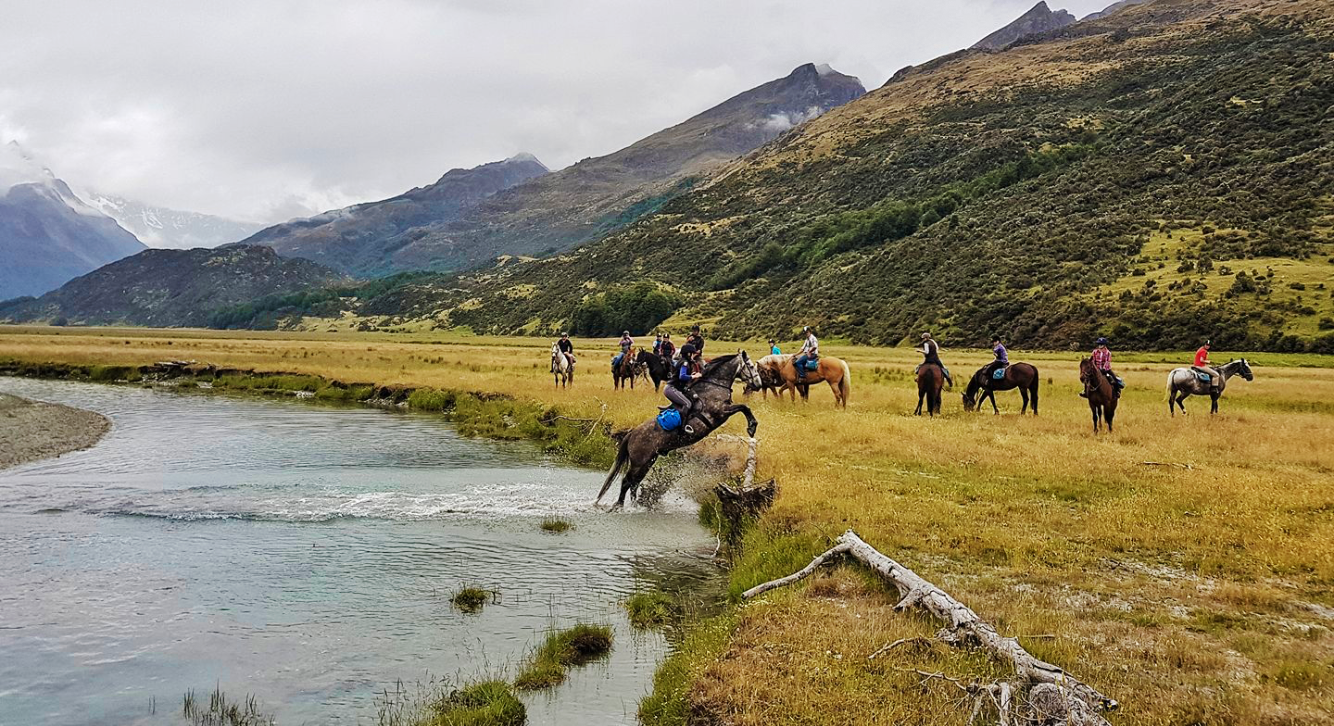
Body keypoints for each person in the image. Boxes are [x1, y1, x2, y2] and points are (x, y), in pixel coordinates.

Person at [663, 344, 703, 434]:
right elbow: (682, 376)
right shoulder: (685, 362)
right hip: (671, 389)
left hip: (674, 388)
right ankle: (682, 428)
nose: (694, 356)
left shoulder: (685, 362)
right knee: (687, 404)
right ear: (688, 354)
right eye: (693, 354)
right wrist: (693, 376)